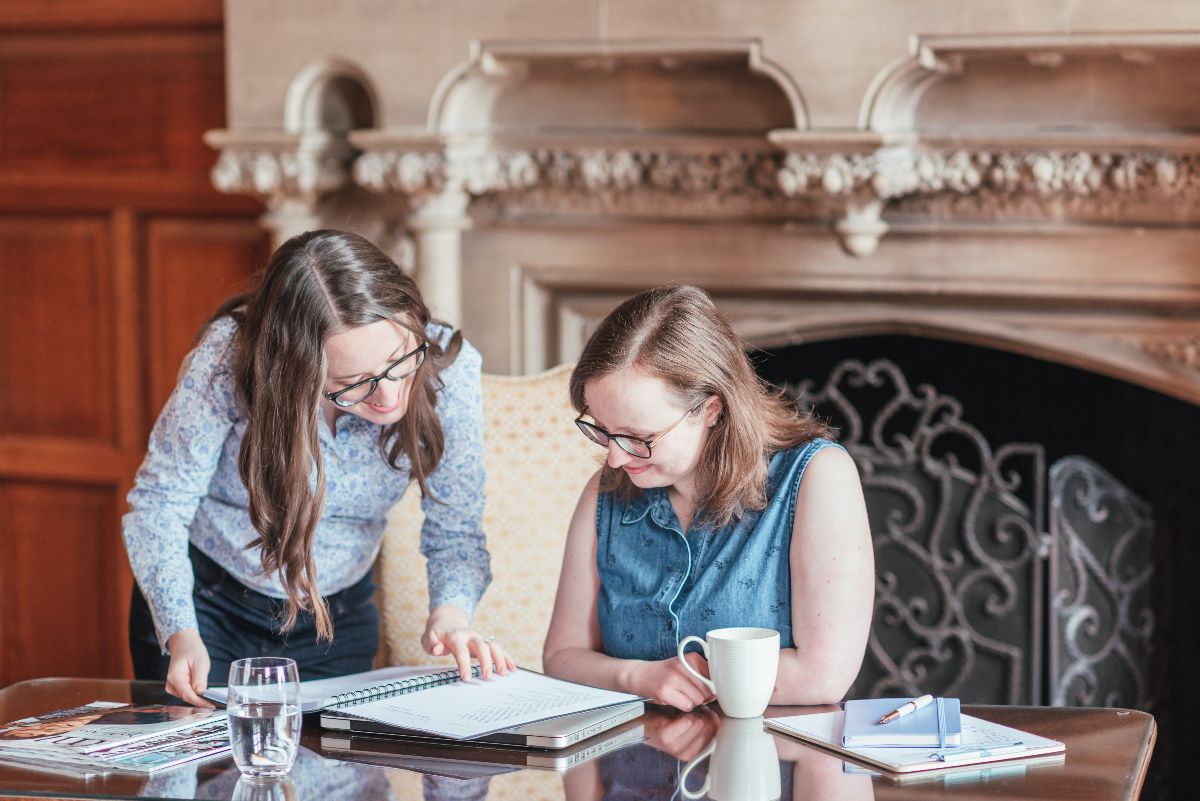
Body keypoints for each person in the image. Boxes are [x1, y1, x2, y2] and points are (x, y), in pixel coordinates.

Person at [123, 230, 513, 707]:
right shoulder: (228, 358)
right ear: (296, 374)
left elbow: (456, 528)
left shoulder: (450, 369)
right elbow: (160, 503)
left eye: (400, 361)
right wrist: (180, 631)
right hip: (207, 608)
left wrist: (450, 614)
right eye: (352, 383)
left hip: (336, 619)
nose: (390, 396)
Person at [543, 285, 874, 710]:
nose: (614, 458)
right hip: (635, 747)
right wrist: (639, 677)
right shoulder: (605, 492)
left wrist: (690, 679)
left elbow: (823, 678)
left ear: (711, 409)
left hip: (771, 749)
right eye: (604, 431)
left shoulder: (816, 476)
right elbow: (561, 657)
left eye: (639, 437)